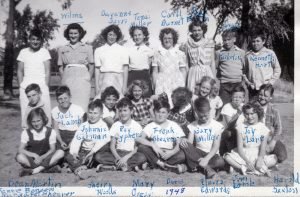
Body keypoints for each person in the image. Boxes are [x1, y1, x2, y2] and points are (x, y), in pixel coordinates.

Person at [224, 103, 278, 176]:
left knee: (274, 158)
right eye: (247, 114)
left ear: (258, 113)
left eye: (252, 114)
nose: (249, 117)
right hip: (243, 153)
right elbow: (240, 148)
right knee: (227, 157)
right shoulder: (241, 127)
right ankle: (243, 168)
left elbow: (262, 148)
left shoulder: (263, 128)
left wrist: (260, 159)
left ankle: (242, 168)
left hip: (257, 153)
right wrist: (247, 161)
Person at [94, 98, 147, 171]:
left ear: (131, 111)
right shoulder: (116, 125)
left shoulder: (137, 126)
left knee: (142, 157)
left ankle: (113, 167)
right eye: (120, 111)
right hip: (117, 152)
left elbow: (136, 148)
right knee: (98, 156)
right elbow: (112, 146)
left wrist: (125, 158)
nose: (122, 113)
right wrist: (118, 158)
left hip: (130, 154)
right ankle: (128, 166)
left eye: (125, 110)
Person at [136, 99, 187, 173]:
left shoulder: (173, 125)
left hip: (169, 152)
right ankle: (164, 165)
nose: (160, 115)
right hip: (155, 153)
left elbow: (180, 141)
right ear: (154, 112)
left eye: (163, 112)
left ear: (168, 113)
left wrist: (172, 152)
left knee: (182, 155)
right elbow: (138, 138)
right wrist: (153, 145)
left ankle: (155, 164)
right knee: (141, 147)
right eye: (158, 112)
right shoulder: (151, 125)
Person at [180, 97, 225, 179]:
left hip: (212, 155)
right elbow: (189, 143)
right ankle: (207, 169)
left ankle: (191, 167)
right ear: (196, 112)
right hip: (198, 153)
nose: (204, 118)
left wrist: (206, 159)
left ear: (210, 110)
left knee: (220, 161)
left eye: (206, 116)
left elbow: (216, 146)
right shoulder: (193, 125)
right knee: (184, 145)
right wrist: (184, 140)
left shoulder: (217, 126)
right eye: (201, 116)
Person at [65, 100, 111, 179]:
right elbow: (77, 139)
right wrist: (75, 152)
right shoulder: (84, 126)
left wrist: (92, 152)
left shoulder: (103, 125)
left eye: (95, 113)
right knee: (68, 155)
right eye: (90, 113)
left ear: (101, 115)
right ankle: (80, 169)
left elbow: (103, 140)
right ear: (87, 113)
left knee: (98, 157)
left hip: (96, 151)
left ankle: (79, 165)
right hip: (84, 151)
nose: (92, 116)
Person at [16, 108, 64, 177]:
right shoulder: (26, 132)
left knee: (60, 152)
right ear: (30, 122)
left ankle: (36, 170)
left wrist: (41, 158)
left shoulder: (50, 131)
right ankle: (46, 169)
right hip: (33, 160)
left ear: (43, 119)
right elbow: (20, 149)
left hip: (46, 158)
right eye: (33, 122)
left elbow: (52, 149)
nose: (36, 124)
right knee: (20, 157)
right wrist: (34, 155)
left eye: (38, 121)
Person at [17, 29, 51, 125]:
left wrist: (46, 86)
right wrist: (21, 86)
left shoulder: (44, 52)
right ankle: (28, 136)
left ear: (41, 41)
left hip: (41, 86)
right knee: (26, 112)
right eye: (33, 39)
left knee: (45, 111)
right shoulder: (23, 52)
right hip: (26, 86)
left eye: (38, 39)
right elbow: (19, 71)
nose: (35, 42)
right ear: (29, 40)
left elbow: (48, 70)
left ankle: (46, 136)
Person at [58, 23, 94, 111]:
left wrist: (87, 78)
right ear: (67, 34)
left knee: (82, 107)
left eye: (75, 33)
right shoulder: (62, 49)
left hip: (83, 82)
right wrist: (64, 79)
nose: (73, 36)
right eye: (71, 33)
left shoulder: (88, 48)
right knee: (68, 106)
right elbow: (60, 66)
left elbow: (91, 65)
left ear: (80, 34)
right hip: (68, 81)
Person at [152, 27, 187, 105]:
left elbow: (183, 71)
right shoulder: (157, 53)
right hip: (162, 83)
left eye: (170, 38)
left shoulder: (180, 53)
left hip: (176, 82)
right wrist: (155, 86)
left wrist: (182, 86)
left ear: (174, 39)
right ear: (162, 39)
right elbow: (154, 72)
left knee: (176, 103)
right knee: (162, 104)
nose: (167, 40)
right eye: (165, 38)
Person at [243, 30, 281, 101]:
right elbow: (244, 72)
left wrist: (270, 83)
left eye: (258, 41)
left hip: (266, 89)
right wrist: (248, 83)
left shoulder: (270, 53)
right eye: (253, 41)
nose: (255, 43)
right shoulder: (248, 55)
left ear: (263, 41)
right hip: (253, 89)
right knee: (253, 109)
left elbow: (277, 69)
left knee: (265, 109)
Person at [181, 20, 215, 94]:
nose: (197, 33)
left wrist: (214, 79)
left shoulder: (210, 43)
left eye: (199, 30)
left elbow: (212, 62)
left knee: (207, 93)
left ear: (203, 30)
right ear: (191, 31)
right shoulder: (188, 44)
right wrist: (186, 79)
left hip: (207, 71)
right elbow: (186, 63)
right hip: (193, 72)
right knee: (193, 93)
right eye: (194, 30)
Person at [94, 25, 129, 97]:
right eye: (110, 34)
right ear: (106, 35)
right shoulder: (98, 50)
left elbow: (125, 68)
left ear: (117, 36)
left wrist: (124, 86)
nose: (112, 37)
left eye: (114, 35)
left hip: (118, 79)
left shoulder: (123, 50)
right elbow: (97, 69)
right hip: (103, 79)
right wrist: (97, 86)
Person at [256, 84, 287, 163]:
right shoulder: (252, 107)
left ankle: (268, 154)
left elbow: (278, 128)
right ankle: (264, 156)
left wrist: (273, 142)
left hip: (270, 139)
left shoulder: (274, 110)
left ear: (271, 97)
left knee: (282, 156)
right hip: (255, 139)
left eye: (266, 96)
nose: (262, 97)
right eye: (260, 94)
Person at [215, 30, 246, 104]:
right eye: (224, 40)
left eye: (229, 40)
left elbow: (245, 68)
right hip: (224, 84)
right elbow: (216, 68)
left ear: (234, 39)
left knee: (238, 104)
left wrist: (244, 81)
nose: (227, 42)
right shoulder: (219, 53)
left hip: (237, 83)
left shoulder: (241, 52)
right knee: (224, 105)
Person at [51, 86, 85, 150]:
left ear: (70, 97)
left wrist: (73, 142)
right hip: (61, 136)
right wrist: (61, 142)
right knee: (59, 153)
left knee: (71, 156)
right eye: (60, 99)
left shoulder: (78, 109)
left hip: (74, 135)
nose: (63, 101)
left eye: (65, 98)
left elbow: (80, 130)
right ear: (57, 100)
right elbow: (56, 129)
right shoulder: (55, 111)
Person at [128, 26, 154, 97]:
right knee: (131, 98)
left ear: (144, 36)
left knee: (145, 97)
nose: (137, 37)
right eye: (135, 35)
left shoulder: (149, 50)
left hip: (144, 76)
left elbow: (150, 68)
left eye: (139, 35)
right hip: (132, 76)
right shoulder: (129, 50)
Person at [219, 85, 245, 155]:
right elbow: (229, 125)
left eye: (240, 97)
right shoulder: (227, 106)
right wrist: (238, 113)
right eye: (235, 97)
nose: (237, 99)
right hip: (229, 131)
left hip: (241, 131)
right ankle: (228, 152)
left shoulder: (244, 107)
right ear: (231, 97)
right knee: (230, 133)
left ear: (243, 99)